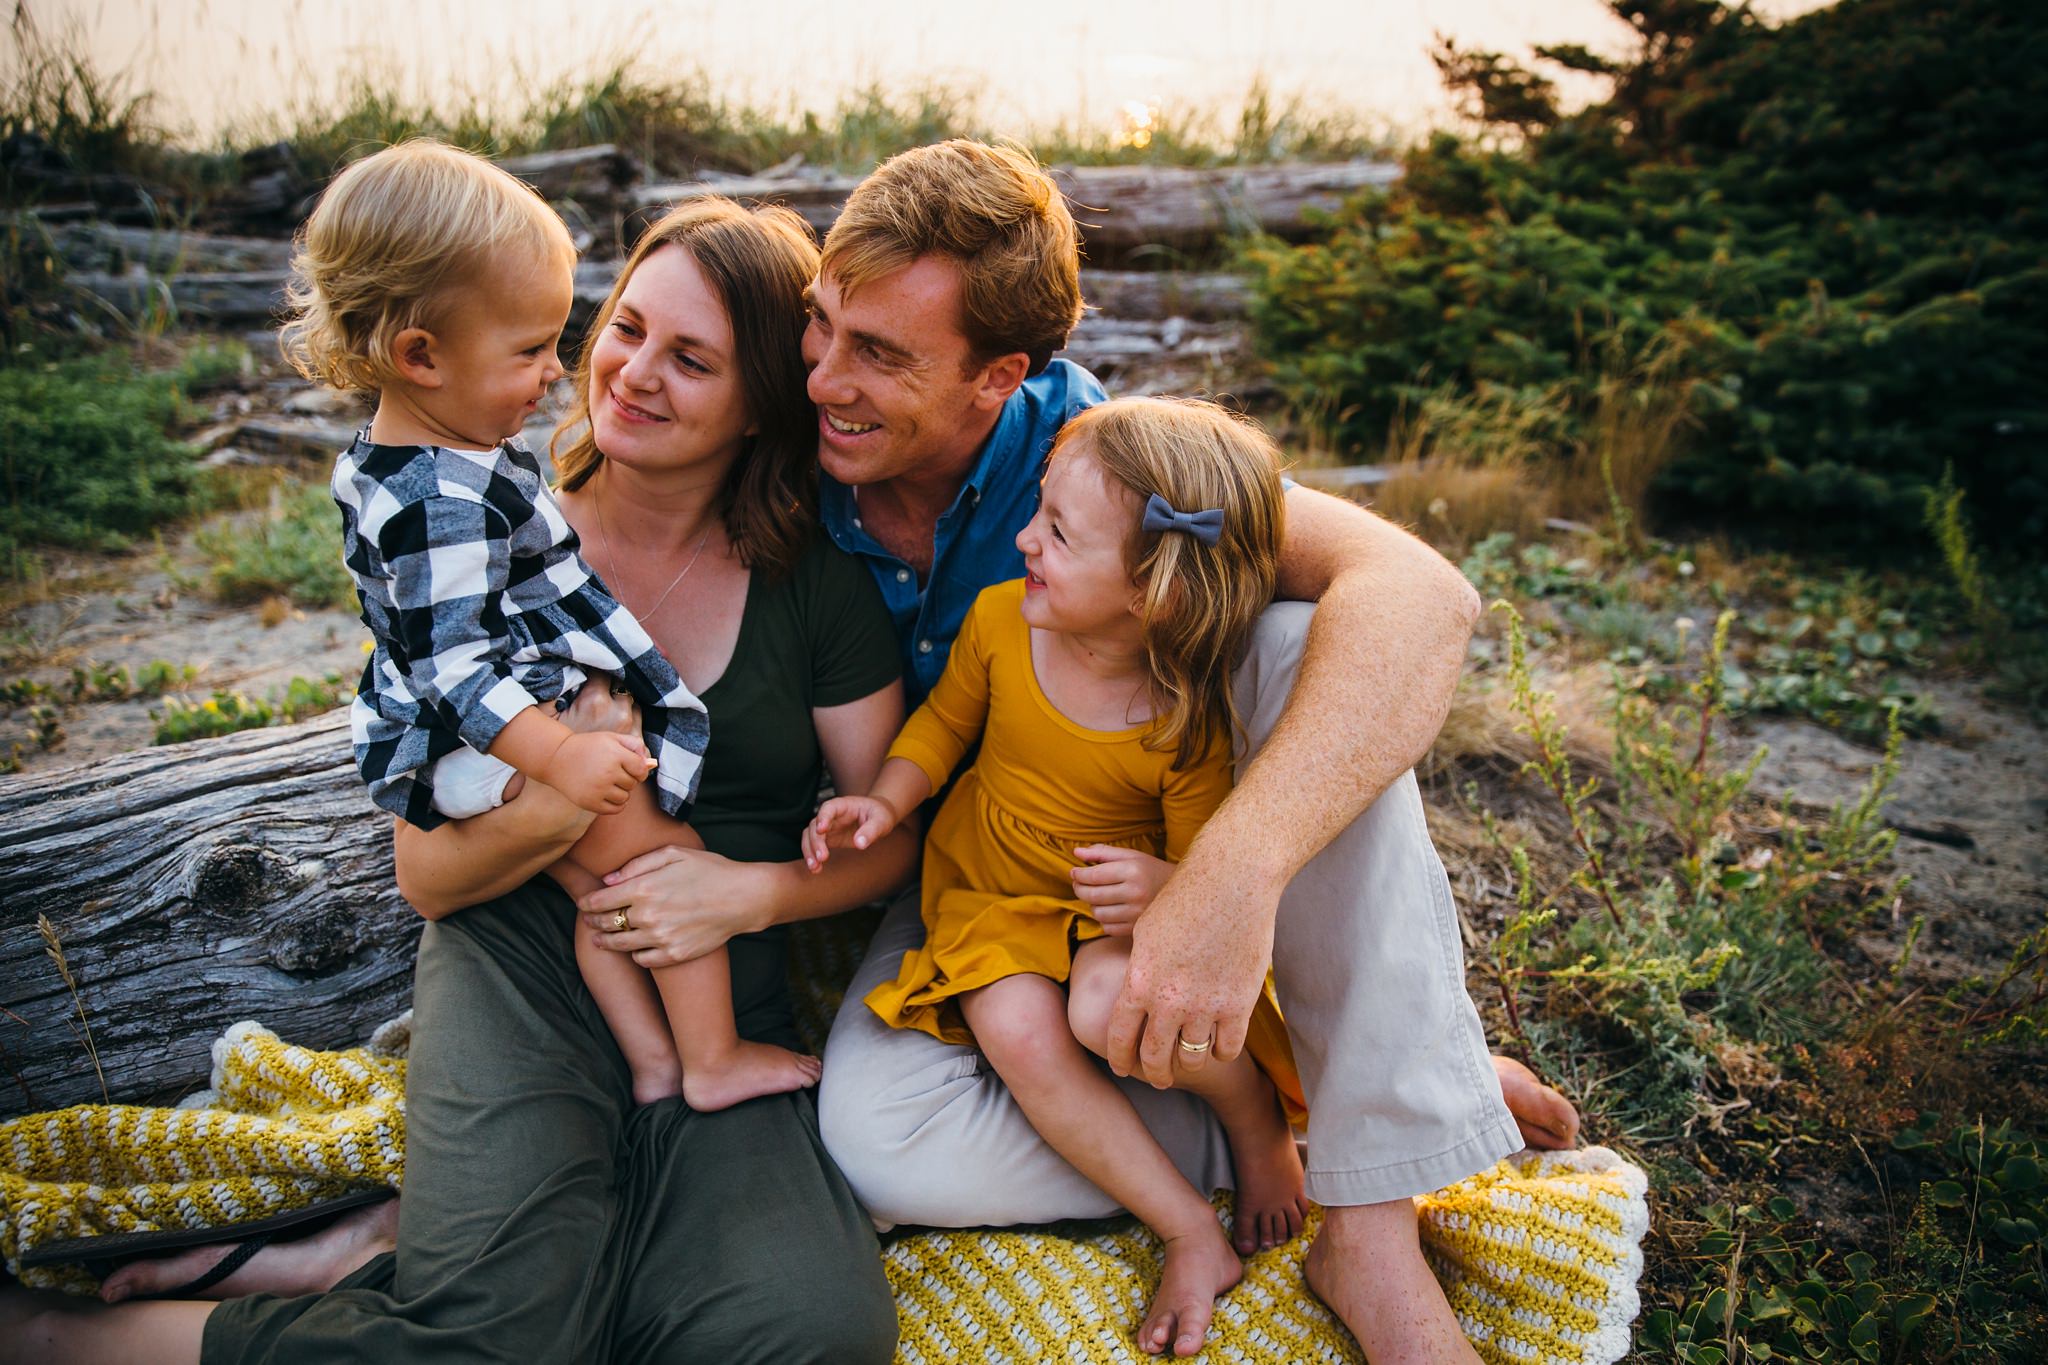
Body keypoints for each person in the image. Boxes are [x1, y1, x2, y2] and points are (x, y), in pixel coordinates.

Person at [2, 195, 910, 1365]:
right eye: (625, 328)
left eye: (691, 359)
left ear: (760, 406)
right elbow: (427, 873)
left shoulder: (811, 587)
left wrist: (752, 897)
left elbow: (888, 838)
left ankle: (412, 1251)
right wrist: (564, 794)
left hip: (720, 992)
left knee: (807, 1335)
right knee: (492, 1343)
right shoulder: (469, 545)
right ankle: (68, 1342)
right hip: (515, 962)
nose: (631, 374)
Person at [779, 139, 1583, 1361]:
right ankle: (1344, 1103)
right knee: (875, 1154)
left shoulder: (1101, 459)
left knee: (1304, 636)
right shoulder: (778, 449)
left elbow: (1422, 594)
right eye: (819, 325)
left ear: (1000, 375)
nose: (824, 376)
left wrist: (1226, 875)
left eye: (879, 354)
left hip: (1136, 869)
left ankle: (1369, 1228)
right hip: (964, 881)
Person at [296, 140, 816, 1112]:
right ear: (420, 355)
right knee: (667, 861)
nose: (558, 373)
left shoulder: (408, 458)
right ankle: (708, 1058)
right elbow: (451, 667)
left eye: (692, 358)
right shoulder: (441, 494)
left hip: (483, 734)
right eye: (531, 349)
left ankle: (654, 1066)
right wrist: (564, 761)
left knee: (602, 894)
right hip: (495, 732)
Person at [808, 396, 1316, 1355]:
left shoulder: (1179, 709)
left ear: (1153, 590)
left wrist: (1165, 883)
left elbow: (1208, 860)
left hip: (1098, 909)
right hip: (989, 893)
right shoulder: (1004, 623)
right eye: (1037, 511)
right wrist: (888, 798)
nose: (1023, 539)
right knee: (1016, 1028)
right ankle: (1184, 1224)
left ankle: (1255, 1116)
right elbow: (945, 727)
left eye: (1059, 533)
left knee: (1109, 1009)